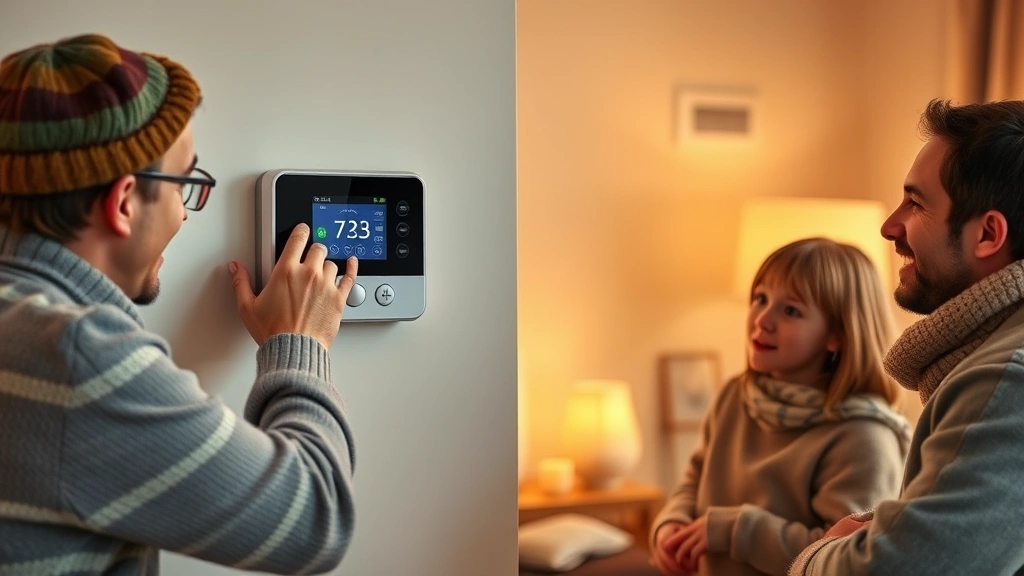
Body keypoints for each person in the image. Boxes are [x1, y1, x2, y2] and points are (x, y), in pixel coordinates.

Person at [0, 34, 359, 574]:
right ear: (124, 202)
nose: (185, 212)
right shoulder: (78, 357)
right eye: (183, 183)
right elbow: (316, 519)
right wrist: (300, 344)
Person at [789, 100, 1024, 575]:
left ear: (987, 234)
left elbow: (905, 568)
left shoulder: (1006, 382)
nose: (889, 226)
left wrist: (816, 557)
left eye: (916, 204)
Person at [650, 238, 911, 576]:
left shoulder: (865, 437)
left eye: (790, 310)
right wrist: (671, 523)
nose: (762, 320)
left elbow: (842, 557)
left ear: (837, 334)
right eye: (761, 298)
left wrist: (737, 530)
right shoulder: (735, 396)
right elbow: (692, 482)